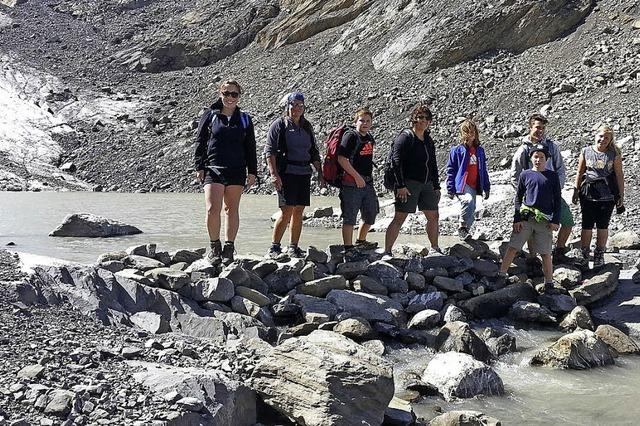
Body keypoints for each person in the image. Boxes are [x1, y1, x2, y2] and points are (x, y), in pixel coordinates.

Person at [194, 80, 257, 265]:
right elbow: (200, 141)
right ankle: (215, 247)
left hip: (237, 169)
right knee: (212, 209)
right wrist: (199, 166)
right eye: (226, 93)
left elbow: (250, 146)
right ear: (220, 94)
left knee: (231, 209)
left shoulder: (245, 119)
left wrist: (252, 171)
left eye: (234, 94)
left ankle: (229, 248)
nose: (230, 97)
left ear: (239, 96)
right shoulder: (210, 115)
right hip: (213, 167)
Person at [265, 92, 323, 258]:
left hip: (304, 172)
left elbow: (313, 151)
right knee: (287, 210)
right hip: (286, 172)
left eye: (300, 105)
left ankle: (293, 247)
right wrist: (274, 174)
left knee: (299, 211)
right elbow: (270, 151)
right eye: (294, 105)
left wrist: (320, 172)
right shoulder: (279, 125)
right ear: (288, 106)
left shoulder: (306, 126)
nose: (297, 108)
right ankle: (274, 247)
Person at [511, 113, 574, 267]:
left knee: (567, 221)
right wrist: (525, 192)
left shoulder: (552, 147)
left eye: (543, 128)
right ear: (530, 127)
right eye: (538, 127)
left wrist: (557, 187)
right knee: (532, 226)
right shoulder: (524, 150)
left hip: (552, 194)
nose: (540, 131)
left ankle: (559, 250)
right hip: (532, 197)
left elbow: (560, 168)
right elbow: (515, 174)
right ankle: (533, 258)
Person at [500, 145, 561, 287]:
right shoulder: (525, 174)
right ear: (531, 158)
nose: (538, 160)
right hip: (526, 218)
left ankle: (549, 282)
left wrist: (555, 220)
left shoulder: (552, 176)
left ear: (546, 159)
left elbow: (557, 199)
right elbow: (518, 198)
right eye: (535, 156)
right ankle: (501, 275)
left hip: (544, 220)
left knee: (546, 253)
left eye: (541, 157)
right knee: (513, 247)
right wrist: (517, 219)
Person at [384, 104, 441, 255]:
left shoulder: (428, 140)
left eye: (426, 118)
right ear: (413, 119)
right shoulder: (405, 137)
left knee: (433, 216)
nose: (423, 120)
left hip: (427, 184)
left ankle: (434, 248)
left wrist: (436, 186)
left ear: (430, 122)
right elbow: (395, 162)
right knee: (400, 217)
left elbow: (433, 163)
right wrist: (400, 185)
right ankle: (387, 251)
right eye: (420, 117)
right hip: (408, 184)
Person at [571, 125, 625, 268]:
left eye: (606, 138)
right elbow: (579, 171)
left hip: (607, 194)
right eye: (601, 136)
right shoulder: (586, 151)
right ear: (595, 136)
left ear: (610, 140)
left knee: (602, 224)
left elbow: (619, 175)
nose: (603, 140)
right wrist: (576, 190)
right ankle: (584, 255)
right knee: (586, 224)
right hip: (588, 192)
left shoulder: (613, 154)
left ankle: (599, 254)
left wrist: (621, 195)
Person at [337, 107, 379, 261]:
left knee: (371, 213)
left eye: (368, 121)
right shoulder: (350, 136)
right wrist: (356, 176)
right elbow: (342, 159)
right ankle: (348, 248)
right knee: (350, 217)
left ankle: (361, 241)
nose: (365, 123)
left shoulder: (369, 137)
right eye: (362, 120)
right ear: (356, 121)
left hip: (367, 182)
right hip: (351, 183)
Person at [445, 119, 491, 240]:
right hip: (462, 184)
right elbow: (451, 170)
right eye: (467, 132)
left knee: (472, 209)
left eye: (473, 132)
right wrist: (450, 188)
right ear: (463, 134)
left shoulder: (479, 151)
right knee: (468, 201)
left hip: (475, 184)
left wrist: (487, 187)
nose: (470, 134)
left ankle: (466, 233)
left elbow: (483, 170)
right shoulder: (457, 150)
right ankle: (462, 226)